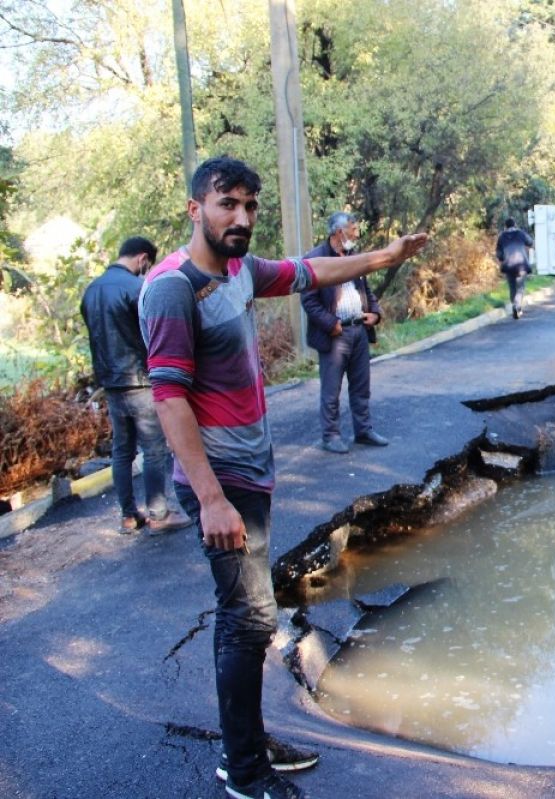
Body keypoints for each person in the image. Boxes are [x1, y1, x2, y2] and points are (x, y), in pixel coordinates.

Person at [139, 155, 428, 799]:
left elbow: (311, 270)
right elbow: (168, 400)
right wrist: (211, 499)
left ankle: (246, 740)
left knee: (249, 615)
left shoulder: (239, 270)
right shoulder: (172, 287)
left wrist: (384, 257)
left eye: (249, 206)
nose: (240, 218)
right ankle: (243, 770)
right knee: (246, 618)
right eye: (226, 205)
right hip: (220, 481)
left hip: (250, 473)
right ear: (195, 209)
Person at [80, 236, 191, 534]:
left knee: (122, 451)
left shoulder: (91, 291)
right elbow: (151, 334)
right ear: (143, 259)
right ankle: (159, 514)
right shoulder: (136, 288)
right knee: (154, 449)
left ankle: (129, 515)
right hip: (141, 381)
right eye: (148, 265)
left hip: (111, 384)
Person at [301, 212, 387, 453]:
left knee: (361, 386)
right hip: (335, 335)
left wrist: (376, 313)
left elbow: (366, 290)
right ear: (339, 232)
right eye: (353, 229)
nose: (357, 234)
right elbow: (309, 301)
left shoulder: (353, 257)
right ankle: (330, 436)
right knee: (331, 389)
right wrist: (331, 324)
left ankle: (364, 431)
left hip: (359, 329)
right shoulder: (315, 259)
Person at [495, 217, 534, 319]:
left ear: (505, 226)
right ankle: (517, 306)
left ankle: (514, 305)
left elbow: (499, 253)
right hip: (521, 264)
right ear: (514, 225)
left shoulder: (502, 236)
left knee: (512, 287)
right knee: (520, 287)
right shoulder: (520, 233)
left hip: (509, 265)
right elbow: (530, 242)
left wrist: (502, 258)